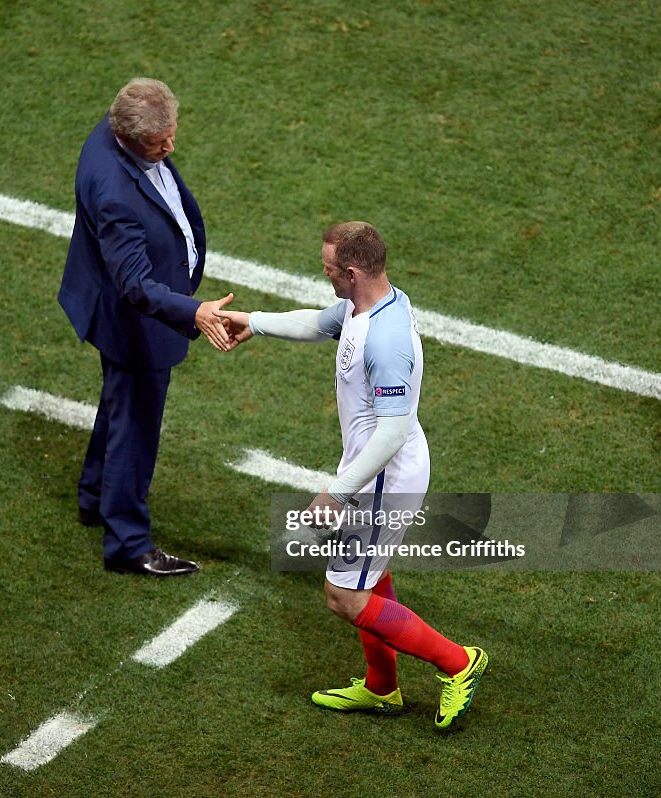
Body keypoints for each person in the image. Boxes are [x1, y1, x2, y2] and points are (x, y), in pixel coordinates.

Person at [217, 221, 488, 729]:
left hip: (384, 477)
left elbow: (391, 434)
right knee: (371, 575)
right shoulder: (367, 304)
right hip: (370, 471)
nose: (324, 278)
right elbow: (319, 322)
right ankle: (381, 688)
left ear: (352, 271)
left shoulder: (387, 340)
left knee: (344, 594)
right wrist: (254, 322)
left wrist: (339, 493)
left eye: (328, 271)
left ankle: (458, 663)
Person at [58, 77, 235, 577]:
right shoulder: (114, 193)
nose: (171, 147)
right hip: (135, 322)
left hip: (126, 310)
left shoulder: (115, 131)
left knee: (119, 406)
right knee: (135, 427)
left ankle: (95, 497)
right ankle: (128, 544)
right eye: (160, 143)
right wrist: (192, 310)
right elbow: (134, 284)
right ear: (130, 138)